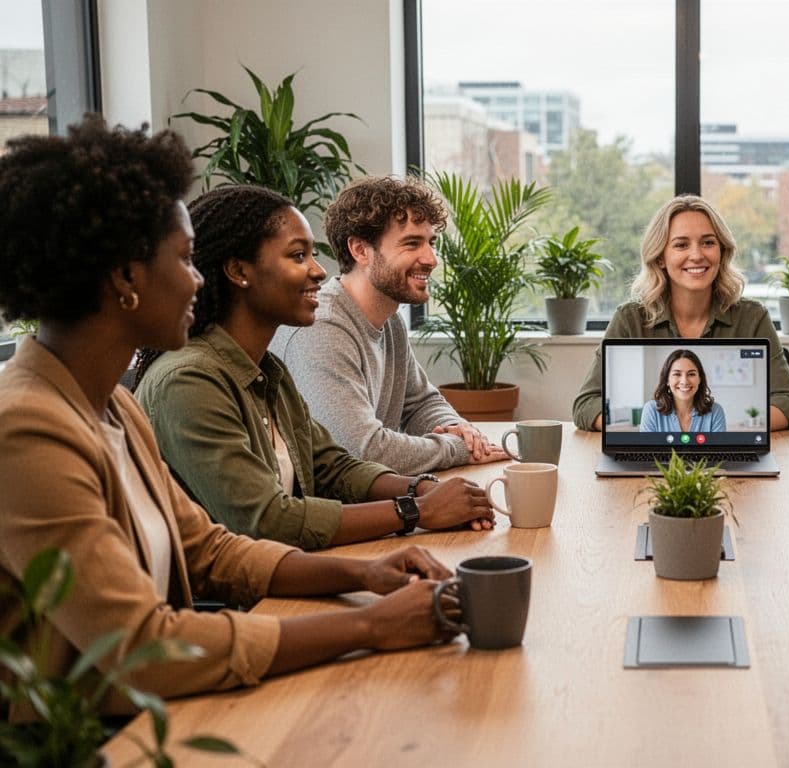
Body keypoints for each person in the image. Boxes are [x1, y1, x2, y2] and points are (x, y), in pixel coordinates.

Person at [0, 117, 465, 713]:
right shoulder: (28, 430)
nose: (199, 279)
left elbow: (211, 551)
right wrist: (371, 626)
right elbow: (140, 646)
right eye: (186, 259)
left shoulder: (111, 406)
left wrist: (365, 576)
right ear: (125, 278)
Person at [134, 185, 495, 551]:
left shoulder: (266, 370)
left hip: (279, 574)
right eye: (298, 256)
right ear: (239, 270)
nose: (319, 271)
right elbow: (268, 521)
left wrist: (427, 489)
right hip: (236, 601)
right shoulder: (189, 381)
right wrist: (416, 510)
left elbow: (332, 466)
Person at [270, 176, 507, 474]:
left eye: (431, 242)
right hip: (328, 513)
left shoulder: (390, 321)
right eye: (412, 243)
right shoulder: (322, 327)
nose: (431, 258)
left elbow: (420, 402)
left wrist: (456, 427)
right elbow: (362, 450)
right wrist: (457, 449)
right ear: (360, 250)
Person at [571, 195, 789, 431]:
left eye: (708, 243)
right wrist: (643, 435)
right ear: (661, 257)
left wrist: (724, 433)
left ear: (721, 251)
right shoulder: (629, 319)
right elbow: (585, 405)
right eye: (681, 245)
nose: (697, 255)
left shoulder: (753, 318)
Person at [639, 348, 727, 432]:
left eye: (691, 374)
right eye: (677, 374)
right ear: (667, 380)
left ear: (700, 379)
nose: (684, 381)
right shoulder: (651, 410)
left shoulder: (715, 411)